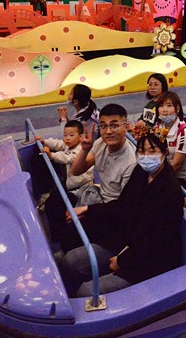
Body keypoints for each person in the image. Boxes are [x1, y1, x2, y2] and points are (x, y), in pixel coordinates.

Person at [59, 133, 182, 297]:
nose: (146, 157)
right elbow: (123, 205)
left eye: (152, 151)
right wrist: (88, 209)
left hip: (152, 259)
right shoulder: (140, 172)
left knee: (87, 292)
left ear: (164, 153)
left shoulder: (171, 191)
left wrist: (123, 260)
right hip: (126, 241)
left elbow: (158, 239)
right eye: (142, 152)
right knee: (71, 261)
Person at [47, 104, 136, 248]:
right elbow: (76, 171)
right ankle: (55, 248)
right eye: (103, 126)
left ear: (125, 126)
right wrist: (84, 150)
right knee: (54, 202)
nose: (108, 131)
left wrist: (87, 211)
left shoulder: (131, 163)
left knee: (71, 232)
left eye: (114, 126)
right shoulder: (101, 143)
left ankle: (71, 256)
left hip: (112, 211)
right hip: (98, 195)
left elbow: (123, 207)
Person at [155, 91, 186, 192]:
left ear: (178, 108)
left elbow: (176, 164)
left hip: (185, 178)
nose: (164, 110)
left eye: (169, 106)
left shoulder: (184, 131)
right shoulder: (158, 126)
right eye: (161, 106)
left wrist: (156, 179)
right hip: (165, 172)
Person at [35, 120, 92, 192]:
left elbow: (67, 157)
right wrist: (44, 141)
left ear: (80, 137)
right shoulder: (69, 144)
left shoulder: (81, 149)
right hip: (68, 177)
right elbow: (58, 143)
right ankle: (45, 190)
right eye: (65, 135)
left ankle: (48, 191)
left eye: (71, 135)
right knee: (37, 153)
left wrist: (51, 155)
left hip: (79, 184)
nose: (67, 138)